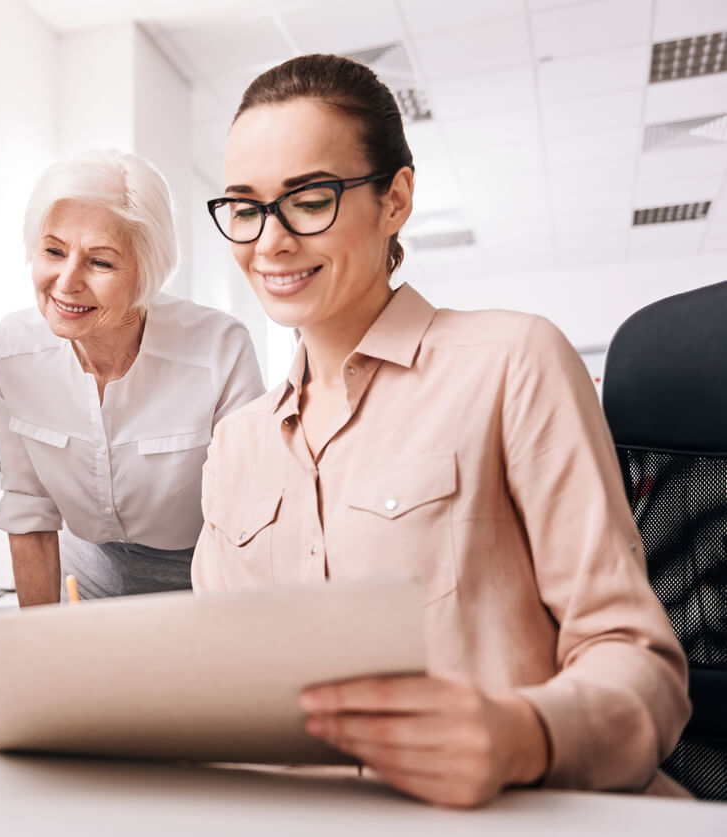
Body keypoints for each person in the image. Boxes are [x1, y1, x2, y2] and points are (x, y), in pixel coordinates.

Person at [194, 55, 690, 806]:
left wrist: (521, 733)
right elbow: (218, 686)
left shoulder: (512, 362)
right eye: (245, 205)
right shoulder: (236, 444)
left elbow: (642, 666)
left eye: (310, 198)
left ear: (395, 199)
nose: (269, 241)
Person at [0, 149, 265, 605]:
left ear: (147, 275)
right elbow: (28, 508)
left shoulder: (219, 348)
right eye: (54, 251)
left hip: (203, 575)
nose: (66, 282)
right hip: (86, 577)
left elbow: (243, 520)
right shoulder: (12, 351)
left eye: (100, 262)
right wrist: (41, 650)